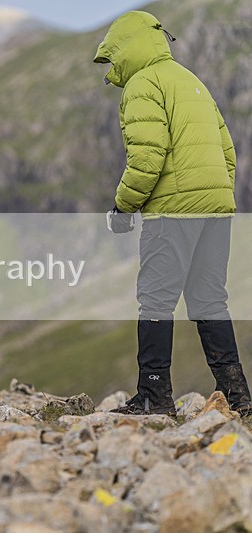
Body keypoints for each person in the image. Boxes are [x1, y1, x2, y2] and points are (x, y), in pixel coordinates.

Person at [96, 11, 251, 416]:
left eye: (113, 58)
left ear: (127, 49)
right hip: (217, 208)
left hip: (173, 211)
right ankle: (238, 398)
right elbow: (228, 153)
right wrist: (215, 197)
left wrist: (123, 207)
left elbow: (147, 159)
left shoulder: (143, 84)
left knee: (155, 302)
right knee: (210, 301)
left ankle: (153, 396)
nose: (113, 68)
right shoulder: (190, 79)